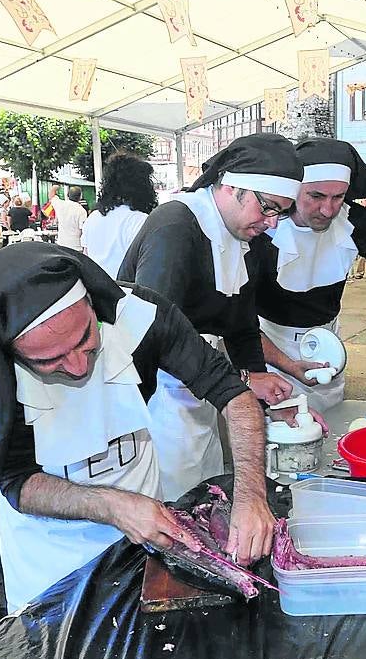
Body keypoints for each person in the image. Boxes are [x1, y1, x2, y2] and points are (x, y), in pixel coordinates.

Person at [0, 243, 275, 612]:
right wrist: (113, 506)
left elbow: (233, 394)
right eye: (49, 360)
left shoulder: (142, 316)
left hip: (142, 530)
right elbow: (16, 481)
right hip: (50, 552)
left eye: (85, 340)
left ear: (93, 305)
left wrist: (251, 496)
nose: (78, 368)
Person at [118, 133, 303, 501]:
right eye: (268, 207)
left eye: (281, 212)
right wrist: (241, 381)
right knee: (174, 496)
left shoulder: (243, 237)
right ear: (232, 187)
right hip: (156, 392)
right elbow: (155, 334)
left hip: (201, 384)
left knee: (208, 489)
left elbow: (241, 326)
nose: (272, 223)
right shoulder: (175, 226)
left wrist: (260, 388)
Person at [254, 137, 366, 411]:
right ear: (293, 189)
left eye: (338, 197)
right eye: (316, 196)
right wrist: (288, 365)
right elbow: (236, 320)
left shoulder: (354, 220)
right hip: (269, 347)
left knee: (332, 419)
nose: (328, 210)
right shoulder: (263, 229)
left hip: (328, 342)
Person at [81, 151, 157, 279]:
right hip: (127, 289)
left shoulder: (93, 218)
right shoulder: (139, 221)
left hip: (98, 289)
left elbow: (86, 258)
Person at [48, 184, 87, 251]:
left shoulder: (60, 205)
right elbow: (83, 230)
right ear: (80, 197)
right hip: (76, 246)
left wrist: (55, 187)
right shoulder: (82, 211)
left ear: (68, 195)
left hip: (62, 245)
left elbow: (51, 196)